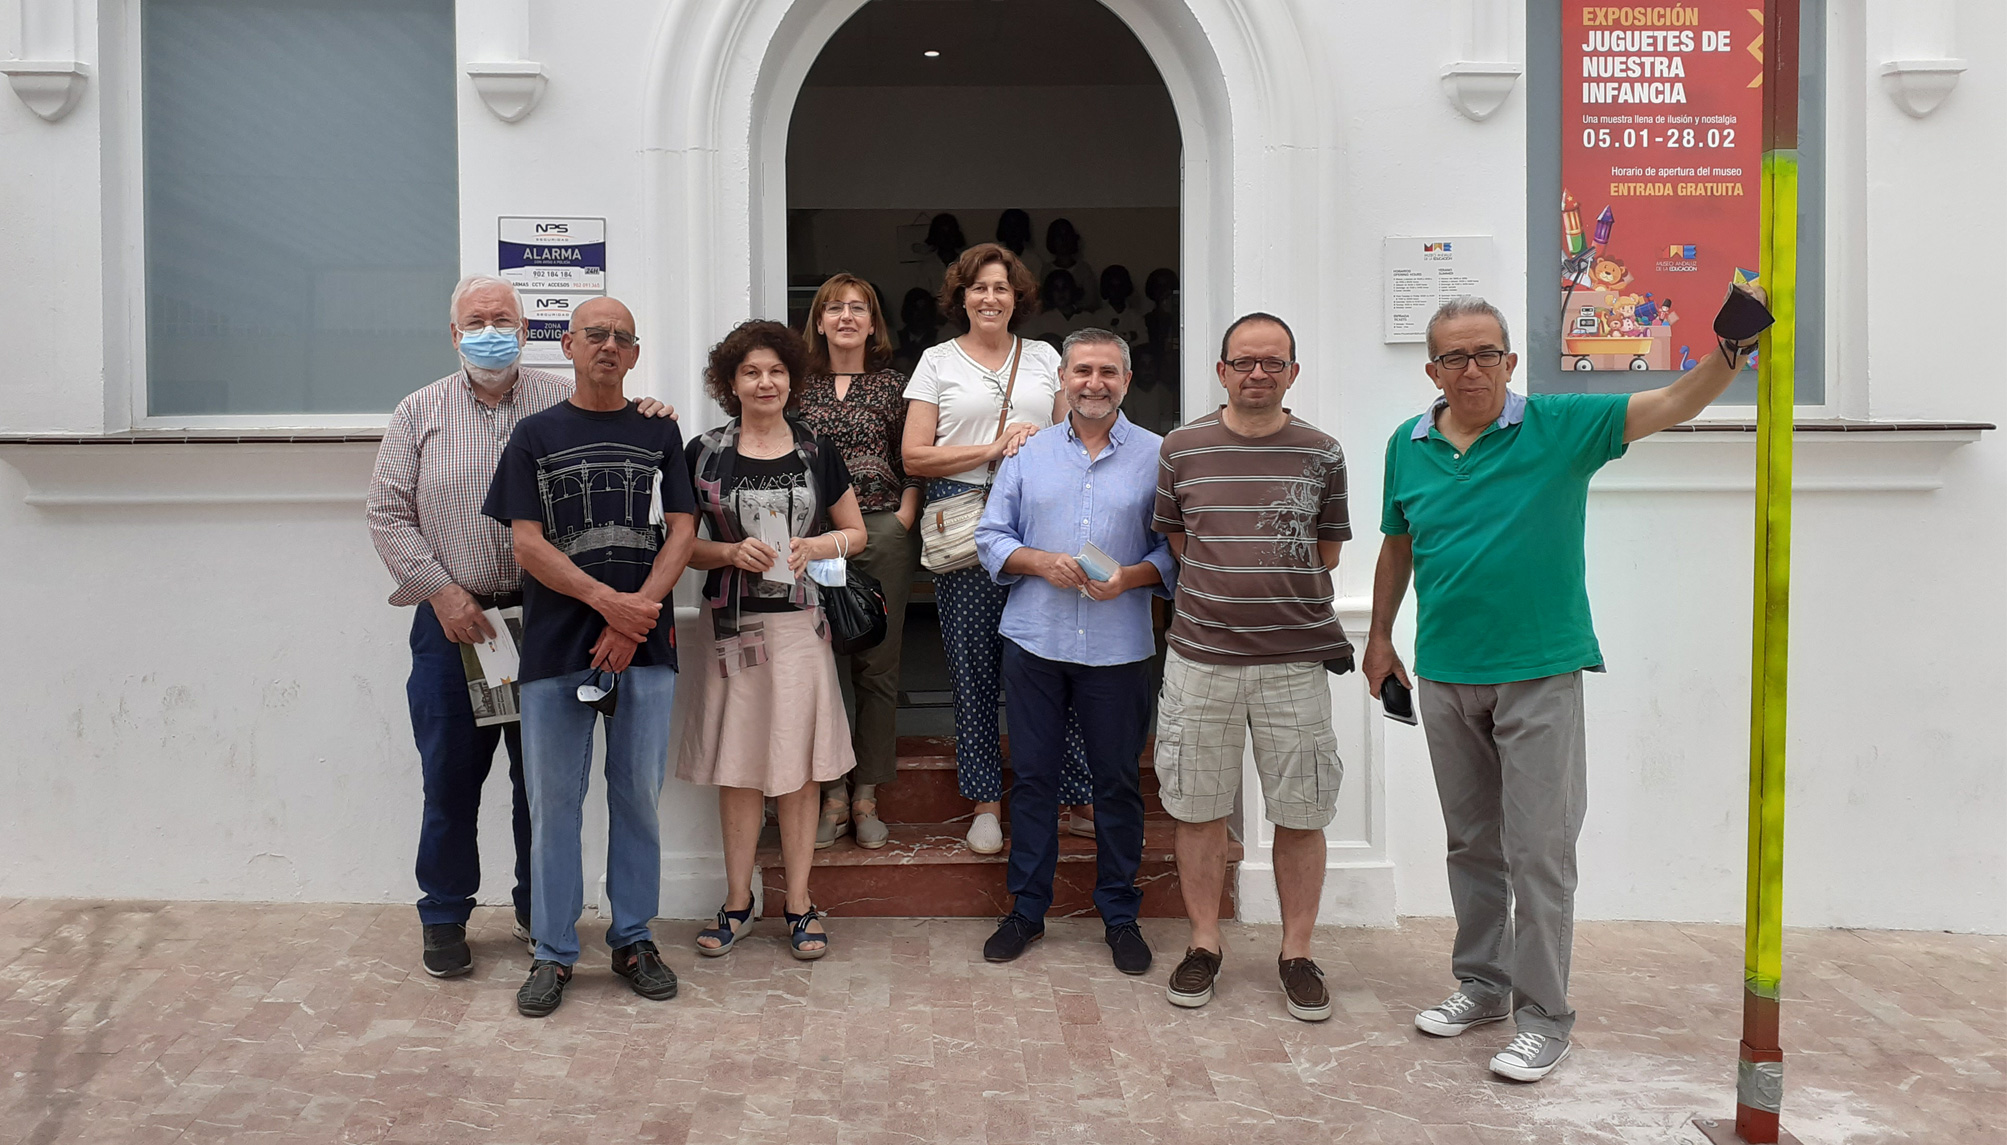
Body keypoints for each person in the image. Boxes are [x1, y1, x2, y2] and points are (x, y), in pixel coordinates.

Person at [1365, 288, 1768, 1083]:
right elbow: (1395, 545)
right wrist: (1380, 638)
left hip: (1539, 672)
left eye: (1486, 352)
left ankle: (1544, 1017)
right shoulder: (1405, 444)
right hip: (1445, 671)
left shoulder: (1559, 426)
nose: (1471, 367)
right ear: (1432, 370)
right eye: (1454, 355)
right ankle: (1481, 983)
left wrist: (1730, 345)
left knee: (1538, 852)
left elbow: (1675, 400)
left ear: (1511, 362)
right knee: (1471, 845)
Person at [367, 274, 672, 980]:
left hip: (548, 623)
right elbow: (387, 514)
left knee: (544, 784)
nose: (490, 328)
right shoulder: (419, 412)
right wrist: (442, 592)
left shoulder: (555, 401)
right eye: (476, 319)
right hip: (455, 623)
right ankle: (444, 913)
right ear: (453, 333)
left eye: (503, 317)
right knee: (451, 778)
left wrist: (651, 407)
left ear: (529, 330)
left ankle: (544, 912)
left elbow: (617, 428)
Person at [480, 296, 697, 1018]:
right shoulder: (532, 436)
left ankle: (633, 937)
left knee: (637, 794)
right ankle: (553, 951)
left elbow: (682, 531)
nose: (608, 345)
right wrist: (613, 604)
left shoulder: (661, 433)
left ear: (635, 355)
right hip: (554, 645)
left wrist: (633, 623)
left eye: (622, 337)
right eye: (594, 334)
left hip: (644, 647)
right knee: (553, 803)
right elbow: (527, 544)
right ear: (567, 345)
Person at [1153, 313, 1352, 1024]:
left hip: (1293, 662)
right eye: (1244, 362)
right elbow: (1178, 538)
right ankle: (1203, 942)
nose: (1258, 373)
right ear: (1221, 371)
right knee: (1197, 807)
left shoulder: (1322, 453)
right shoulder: (1181, 449)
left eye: (1272, 362)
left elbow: (1327, 551)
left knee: (1301, 811)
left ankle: (1295, 952)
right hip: (1200, 658)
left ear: (1292, 373)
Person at [974, 329, 1175, 975]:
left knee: (1116, 783)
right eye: (1082, 370)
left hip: (1118, 647)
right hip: (1035, 639)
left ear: (1126, 377)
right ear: (1061, 376)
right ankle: (1025, 910)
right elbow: (989, 535)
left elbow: (1177, 548)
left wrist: (1130, 578)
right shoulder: (1028, 454)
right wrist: (1038, 562)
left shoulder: (1157, 455)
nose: (1094, 382)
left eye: (1108, 371)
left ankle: (1119, 913)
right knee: (1033, 780)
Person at [674, 320, 869, 962]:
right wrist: (727, 549)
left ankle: (800, 902)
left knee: (799, 768)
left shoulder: (816, 449)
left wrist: (818, 545)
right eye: (751, 372)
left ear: (793, 378)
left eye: (777, 371)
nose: (766, 382)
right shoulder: (702, 452)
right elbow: (677, 544)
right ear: (731, 383)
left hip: (800, 628)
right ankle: (738, 901)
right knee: (739, 767)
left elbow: (857, 534)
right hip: (731, 629)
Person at [901, 242, 1095, 855]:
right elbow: (913, 455)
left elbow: (1075, 438)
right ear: (961, 297)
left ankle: (1073, 792)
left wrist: (1042, 445)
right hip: (967, 522)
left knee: (1051, 661)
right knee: (973, 665)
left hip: (1039, 523)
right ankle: (985, 802)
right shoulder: (936, 361)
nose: (990, 298)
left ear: (1018, 299)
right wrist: (993, 447)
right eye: (979, 288)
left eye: (1002, 289)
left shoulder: (1043, 357)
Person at [795, 274, 922, 850]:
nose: (846, 317)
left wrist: (904, 518)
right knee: (820, 663)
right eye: (834, 308)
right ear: (819, 320)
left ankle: (867, 790)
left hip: (880, 531)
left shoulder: (899, 386)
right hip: (815, 540)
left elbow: (915, 458)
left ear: (873, 323)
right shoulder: (795, 386)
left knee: (877, 663)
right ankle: (831, 794)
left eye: (858, 308)